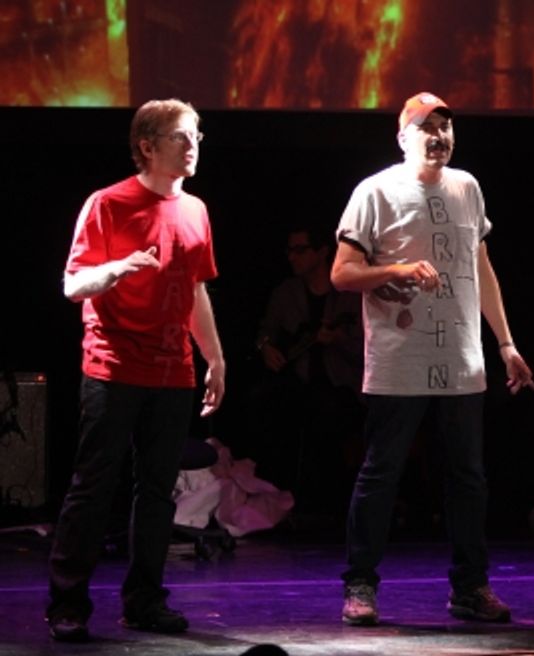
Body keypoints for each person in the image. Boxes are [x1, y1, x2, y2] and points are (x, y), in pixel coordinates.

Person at [330, 91, 534, 625]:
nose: (440, 135)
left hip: (463, 358)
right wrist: (395, 271)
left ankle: (470, 586)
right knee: (382, 473)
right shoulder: (374, 192)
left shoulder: (467, 187)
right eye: (428, 127)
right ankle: (360, 585)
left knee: (468, 477)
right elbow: (342, 274)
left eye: (446, 126)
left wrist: (506, 343)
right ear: (404, 138)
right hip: (400, 359)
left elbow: (481, 266)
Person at [47, 98, 225, 642]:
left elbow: (195, 288)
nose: (192, 145)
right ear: (147, 145)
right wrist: (116, 269)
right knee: (94, 485)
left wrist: (215, 356)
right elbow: (73, 285)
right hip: (113, 366)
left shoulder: (195, 210)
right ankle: (68, 602)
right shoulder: (108, 204)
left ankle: (145, 601)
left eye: (196, 135)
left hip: (174, 371)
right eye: (180, 136)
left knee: (157, 492)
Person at [252, 225, 364, 515]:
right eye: (290, 250)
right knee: (266, 401)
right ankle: (274, 497)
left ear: (322, 252)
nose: (292, 257)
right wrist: (266, 348)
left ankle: (324, 505)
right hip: (297, 381)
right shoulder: (287, 292)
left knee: (326, 411)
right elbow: (265, 331)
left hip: (341, 385)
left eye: (300, 250)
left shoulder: (349, 294)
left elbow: (368, 348)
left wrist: (339, 340)